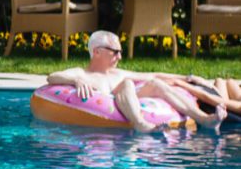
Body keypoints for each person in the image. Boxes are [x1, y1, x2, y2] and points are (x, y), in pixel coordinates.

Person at [40, 31, 219, 128]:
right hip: (104, 120)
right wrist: (76, 81)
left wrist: (189, 78)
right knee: (127, 84)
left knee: (154, 84)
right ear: (96, 52)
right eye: (115, 52)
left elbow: (154, 76)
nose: (119, 57)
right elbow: (52, 77)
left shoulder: (118, 74)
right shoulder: (82, 73)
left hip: (127, 101)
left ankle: (203, 118)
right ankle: (140, 124)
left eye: (120, 52)